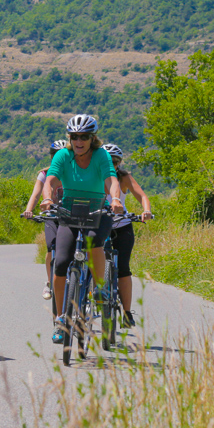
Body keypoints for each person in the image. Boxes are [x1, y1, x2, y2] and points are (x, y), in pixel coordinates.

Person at [40, 114, 124, 344]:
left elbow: (111, 180)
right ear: (70, 138)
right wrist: (47, 198)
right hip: (70, 211)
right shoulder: (63, 156)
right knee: (61, 262)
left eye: (84, 137)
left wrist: (115, 199)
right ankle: (60, 318)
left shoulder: (101, 156)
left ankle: (98, 288)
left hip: (98, 210)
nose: (79, 141)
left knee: (94, 242)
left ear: (92, 138)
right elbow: (50, 180)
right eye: (75, 137)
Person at [101, 143, 154, 327]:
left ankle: (126, 312)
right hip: (100, 225)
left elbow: (142, 196)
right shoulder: (94, 175)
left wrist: (146, 211)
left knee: (123, 268)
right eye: (107, 160)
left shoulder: (123, 177)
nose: (112, 164)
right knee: (94, 260)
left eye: (115, 161)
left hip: (121, 226)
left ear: (119, 163)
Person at [21, 139, 68, 301]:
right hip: (52, 216)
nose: (58, 157)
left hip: (69, 217)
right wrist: (29, 210)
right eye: (55, 154)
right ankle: (49, 282)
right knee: (51, 248)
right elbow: (36, 194)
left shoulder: (74, 171)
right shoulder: (44, 174)